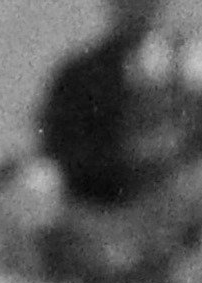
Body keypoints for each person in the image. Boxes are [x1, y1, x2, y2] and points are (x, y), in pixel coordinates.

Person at [34, 0, 188, 213]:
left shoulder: (183, 70)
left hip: (176, 210)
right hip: (101, 213)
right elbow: (62, 153)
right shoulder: (80, 77)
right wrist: (130, 159)